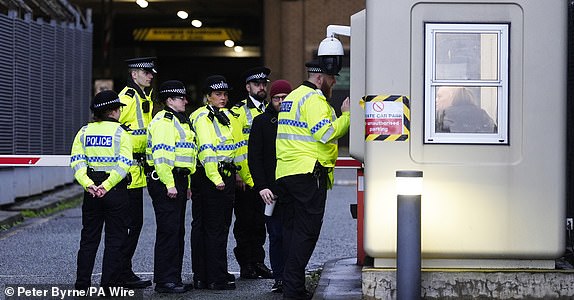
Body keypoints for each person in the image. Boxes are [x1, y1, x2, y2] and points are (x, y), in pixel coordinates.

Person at [275, 61, 350, 300]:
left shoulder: (292, 98)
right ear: (320, 78)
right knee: (306, 232)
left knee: (291, 230)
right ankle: (293, 289)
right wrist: (347, 116)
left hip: (286, 172)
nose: (334, 82)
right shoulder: (314, 100)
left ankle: (290, 285)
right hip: (308, 173)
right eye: (332, 78)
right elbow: (325, 133)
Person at [190, 75, 254, 290]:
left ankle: (210, 273)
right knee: (213, 228)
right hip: (211, 177)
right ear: (207, 96)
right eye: (218, 94)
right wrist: (217, 179)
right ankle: (214, 277)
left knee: (218, 227)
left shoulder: (223, 115)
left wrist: (246, 177)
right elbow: (206, 150)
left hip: (223, 175)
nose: (223, 98)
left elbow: (235, 150)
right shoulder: (202, 116)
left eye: (225, 94)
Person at [70, 90, 132, 293]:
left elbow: (77, 161)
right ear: (113, 111)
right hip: (114, 189)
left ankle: (82, 285)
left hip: (91, 190)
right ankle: (109, 286)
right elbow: (124, 164)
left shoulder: (84, 132)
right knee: (115, 239)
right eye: (118, 109)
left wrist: (88, 184)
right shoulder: (121, 133)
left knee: (89, 238)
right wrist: (107, 185)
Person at [146, 80, 197, 293]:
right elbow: (162, 157)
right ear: (169, 100)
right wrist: (170, 184)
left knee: (176, 231)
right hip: (167, 180)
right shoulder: (165, 121)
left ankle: (173, 277)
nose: (186, 100)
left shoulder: (180, 121)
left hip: (178, 180)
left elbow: (188, 156)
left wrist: (187, 183)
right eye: (181, 97)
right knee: (168, 231)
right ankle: (165, 281)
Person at [248, 79, 293, 293]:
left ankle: (293, 277)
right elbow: (254, 158)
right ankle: (280, 278)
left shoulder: (297, 121)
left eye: (285, 98)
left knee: (293, 235)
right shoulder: (261, 122)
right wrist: (261, 186)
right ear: (271, 99)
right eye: (277, 98)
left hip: (293, 189)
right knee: (276, 236)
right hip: (271, 191)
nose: (281, 102)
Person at [117, 57, 157, 288]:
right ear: (134, 75)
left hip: (138, 168)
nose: (150, 75)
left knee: (134, 223)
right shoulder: (127, 97)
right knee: (130, 224)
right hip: (128, 170)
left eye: (151, 72)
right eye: (145, 72)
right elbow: (113, 125)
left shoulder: (144, 97)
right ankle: (122, 272)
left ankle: (123, 269)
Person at [231, 66, 273, 280]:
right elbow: (237, 145)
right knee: (244, 223)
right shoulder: (238, 112)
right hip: (245, 179)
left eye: (264, 84)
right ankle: (246, 264)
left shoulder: (269, 110)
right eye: (257, 84)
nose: (262, 87)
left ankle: (258, 262)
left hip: (262, 179)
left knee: (260, 223)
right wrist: (238, 173)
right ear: (248, 87)